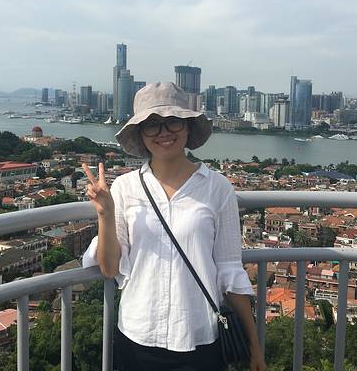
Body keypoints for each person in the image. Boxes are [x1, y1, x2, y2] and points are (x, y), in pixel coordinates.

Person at [82, 82, 266, 371]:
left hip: (200, 336)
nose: (164, 132)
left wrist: (255, 347)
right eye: (152, 125)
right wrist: (105, 214)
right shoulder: (125, 188)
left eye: (173, 121)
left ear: (188, 127)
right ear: (141, 134)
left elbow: (230, 271)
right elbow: (109, 267)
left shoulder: (217, 188)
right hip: (138, 335)